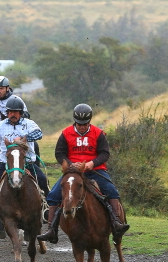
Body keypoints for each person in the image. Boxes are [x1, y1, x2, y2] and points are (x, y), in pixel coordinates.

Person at [37, 104, 130, 245]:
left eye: (85, 124)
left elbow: (105, 153)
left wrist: (92, 163)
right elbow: (59, 153)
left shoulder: (98, 133)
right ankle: (51, 229)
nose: (82, 127)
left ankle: (116, 223)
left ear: (89, 121)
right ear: (75, 121)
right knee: (54, 195)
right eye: (79, 124)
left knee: (111, 190)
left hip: (94, 170)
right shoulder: (66, 133)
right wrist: (69, 164)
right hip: (72, 172)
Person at [0, 96, 49, 226]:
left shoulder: (28, 124)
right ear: (7, 113)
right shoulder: (1, 125)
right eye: (10, 112)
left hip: (27, 163)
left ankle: (47, 209)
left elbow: (38, 134)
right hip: (6, 164)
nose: (12, 115)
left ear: (21, 113)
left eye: (15, 112)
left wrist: (25, 137)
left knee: (42, 180)